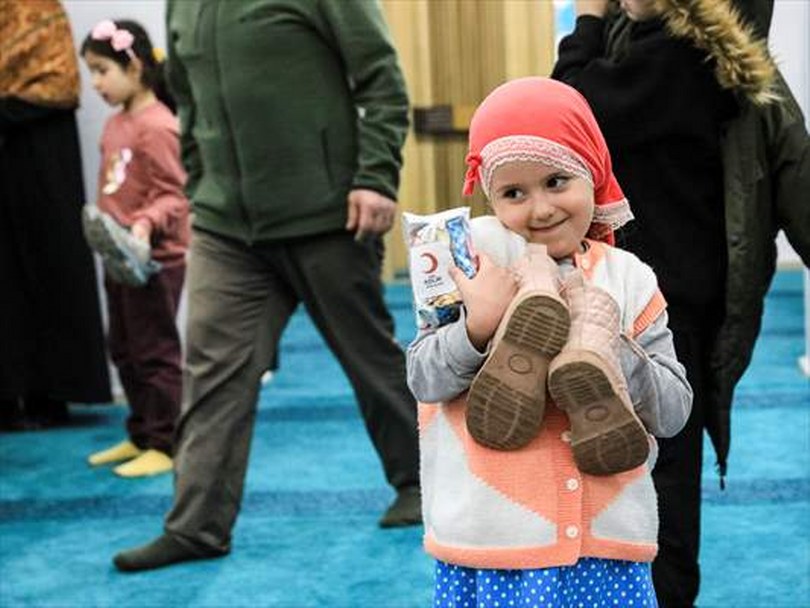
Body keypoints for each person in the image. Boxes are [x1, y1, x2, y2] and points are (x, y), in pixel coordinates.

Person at [112, 0, 421, 571]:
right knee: (211, 373)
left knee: (369, 359)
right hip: (228, 228)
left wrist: (375, 177)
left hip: (328, 216)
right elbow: (185, 98)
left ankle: (424, 485)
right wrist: (201, 188)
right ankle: (196, 526)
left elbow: (381, 78)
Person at [551, 0, 810, 605]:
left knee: (658, 491)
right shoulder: (671, 46)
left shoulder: (678, 55)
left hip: (660, 314)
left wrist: (584, 22)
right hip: (646, 298)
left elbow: (565, 118)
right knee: (648, 476)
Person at [407, 76, 693, 607]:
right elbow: (423, 377)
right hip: (490, 540)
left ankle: (584, 345)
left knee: (593, 323)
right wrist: (479, 326)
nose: (539, 210)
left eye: (557, 181)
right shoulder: (467, 261)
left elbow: (673, 412)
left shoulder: (628, 277)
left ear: (593, 173)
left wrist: (612, 347)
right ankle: (527, 325)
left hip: (606, 540)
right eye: (514, 193)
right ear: (491, 197)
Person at [79, 20, 189, 478]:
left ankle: (165, 442)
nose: (97, 84)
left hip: (154, 261)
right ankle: (140, 433)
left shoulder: (158, 126)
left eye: (103, 71)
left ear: (135, 65)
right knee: (122, 347)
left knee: (154, 351)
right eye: (92, 73)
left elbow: (175, 193)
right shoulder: (115, 123)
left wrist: (144, 224)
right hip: (118, 257)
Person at [0, 0, 111, 429]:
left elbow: (60, 84)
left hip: (41, 155)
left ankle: (55, 394)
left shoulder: (40, 9)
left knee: (53, 265)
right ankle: (7, 396)